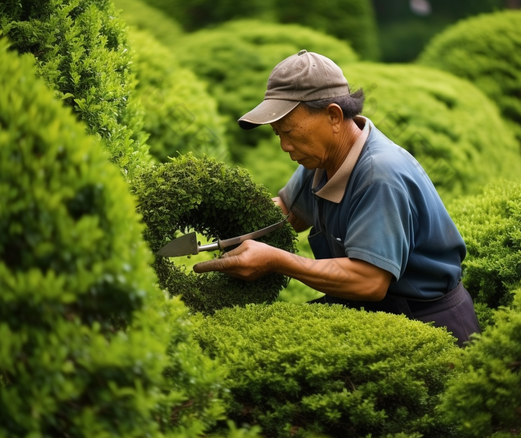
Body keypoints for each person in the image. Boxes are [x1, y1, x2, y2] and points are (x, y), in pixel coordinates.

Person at [194, 50, 481, 346]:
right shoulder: (320, 159)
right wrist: (223, 224)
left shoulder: (379, 174)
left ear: (333, 115)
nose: (284, 145)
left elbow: (369, 281)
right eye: (277, 133)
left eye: (289, 131)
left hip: (428, 327)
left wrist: (276, 261)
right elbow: (287, 216)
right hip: (369, 315)